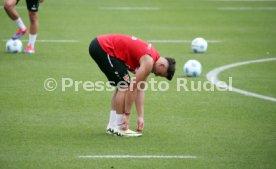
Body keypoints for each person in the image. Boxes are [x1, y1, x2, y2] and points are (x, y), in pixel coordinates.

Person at [89, 34, 176, 137]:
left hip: (101, 46)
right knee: (124, 86)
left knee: (121, 85)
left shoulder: (151, 59)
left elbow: (140, 89)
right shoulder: (148, 62)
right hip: (103, 47)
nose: (156, 75)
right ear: (162, 65)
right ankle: (119, 127)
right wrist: (127, 114)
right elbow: (132, 88)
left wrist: (140, 117)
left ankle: (112, 126)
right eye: (160, 74)